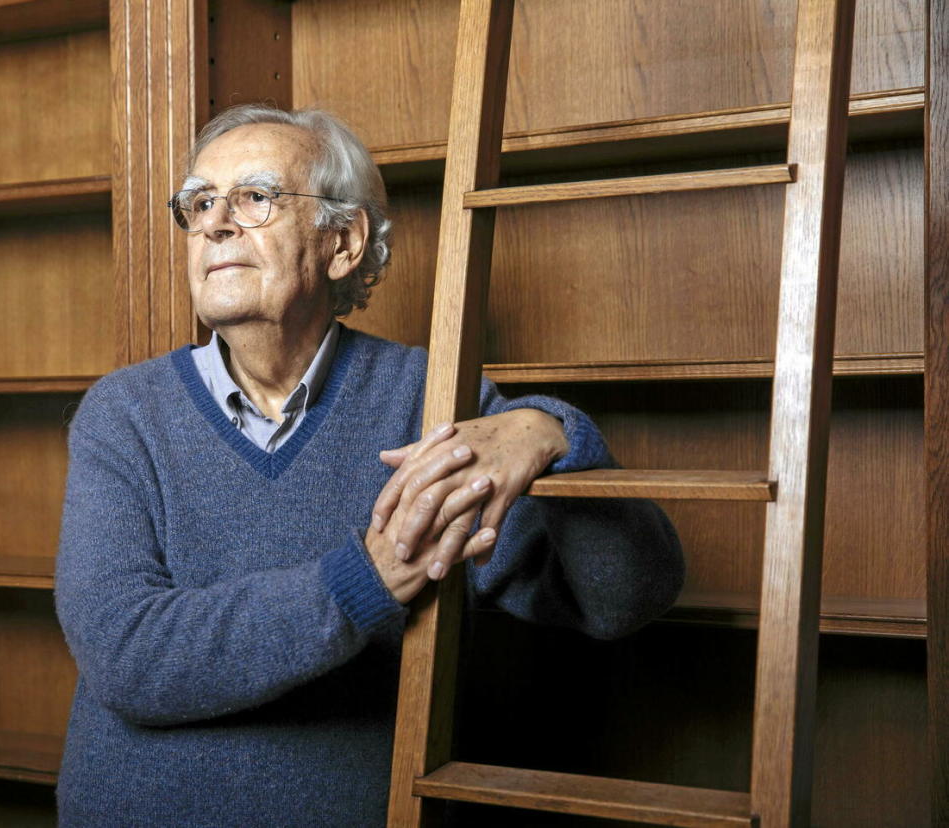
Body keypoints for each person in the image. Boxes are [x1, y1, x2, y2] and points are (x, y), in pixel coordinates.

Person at [54, 104, 683, 826]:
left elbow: (624, 601)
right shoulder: (123, 412)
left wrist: (557, 434)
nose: (216, 224)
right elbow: (127, 655)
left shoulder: (434, 401)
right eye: (199, 203)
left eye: (254, 197)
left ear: (343, 241)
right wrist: (361, 585)